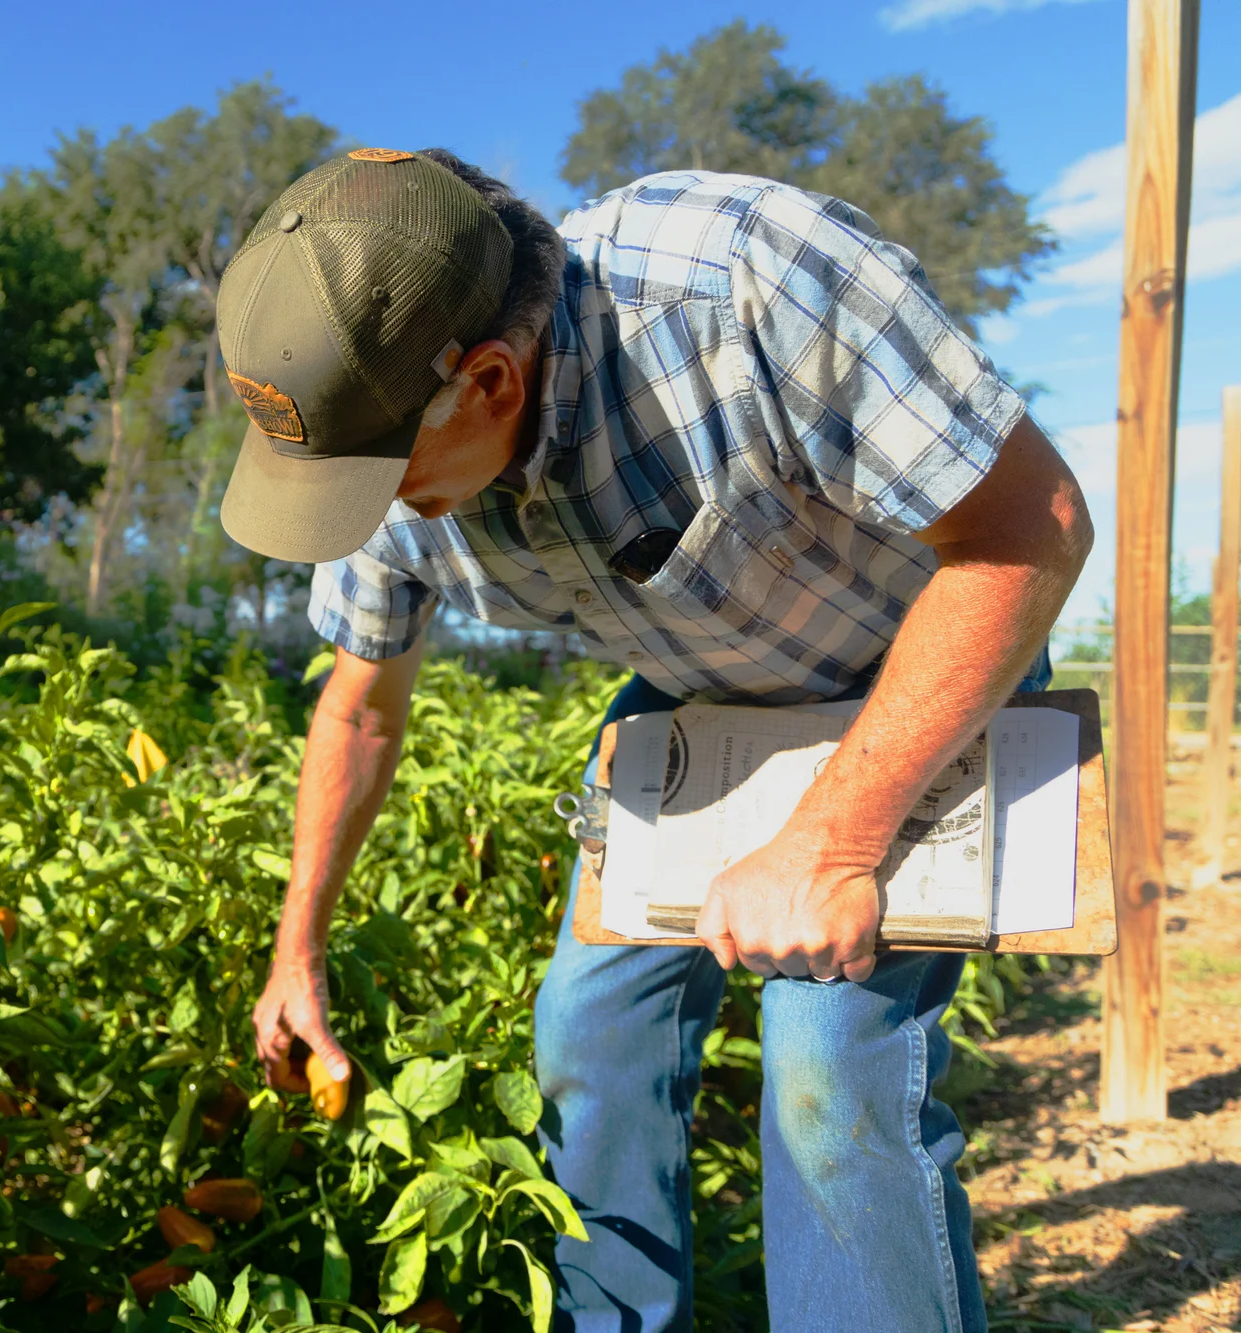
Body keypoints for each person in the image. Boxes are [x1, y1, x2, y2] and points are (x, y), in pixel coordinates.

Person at [222, 147, 1091, 1332]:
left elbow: (1027, 531)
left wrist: (831, 840)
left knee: (822, 1064)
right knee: (588, 1026)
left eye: (378, 479)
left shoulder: (742, 282)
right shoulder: (369, 435)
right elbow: (358, 708)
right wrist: (296, 950)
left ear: (485, 379)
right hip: (697, 708)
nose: (361, 516)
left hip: (916, 673)